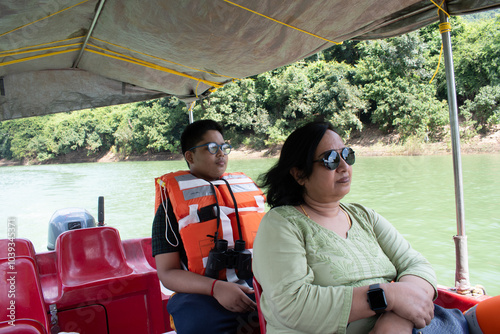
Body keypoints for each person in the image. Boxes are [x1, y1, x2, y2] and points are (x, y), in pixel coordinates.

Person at [252, 121, 474, 334]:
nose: (344, 166)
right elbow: (293, 305)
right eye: (330, 159)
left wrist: (396, 318)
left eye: (347, 155)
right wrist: (388, 296)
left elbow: (417, 265)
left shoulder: (364, 216)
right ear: (299, 173)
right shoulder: (281, 224)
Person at [152, 119, 263, 334]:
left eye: (224, 148)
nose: (221, 154)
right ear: (190, 156)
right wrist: (215, 288)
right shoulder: (169, 209)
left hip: (252, 284)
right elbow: (166, 272)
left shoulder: (245, 192)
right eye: (212, 148)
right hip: (201, 293)